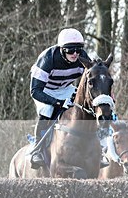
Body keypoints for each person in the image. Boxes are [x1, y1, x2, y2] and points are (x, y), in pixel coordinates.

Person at [27, 28, 91, 168]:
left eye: (78, 49)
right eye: (70, 50)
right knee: (47, 110)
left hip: (65, 89)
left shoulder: (83, 57)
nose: (75, 54)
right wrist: (57, 102)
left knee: (85, 107)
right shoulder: (47, 59)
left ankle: (96, 147)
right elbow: (35, 91)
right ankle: (37, 149)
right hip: (44, 90)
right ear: (62, 49)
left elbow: (93, 78)